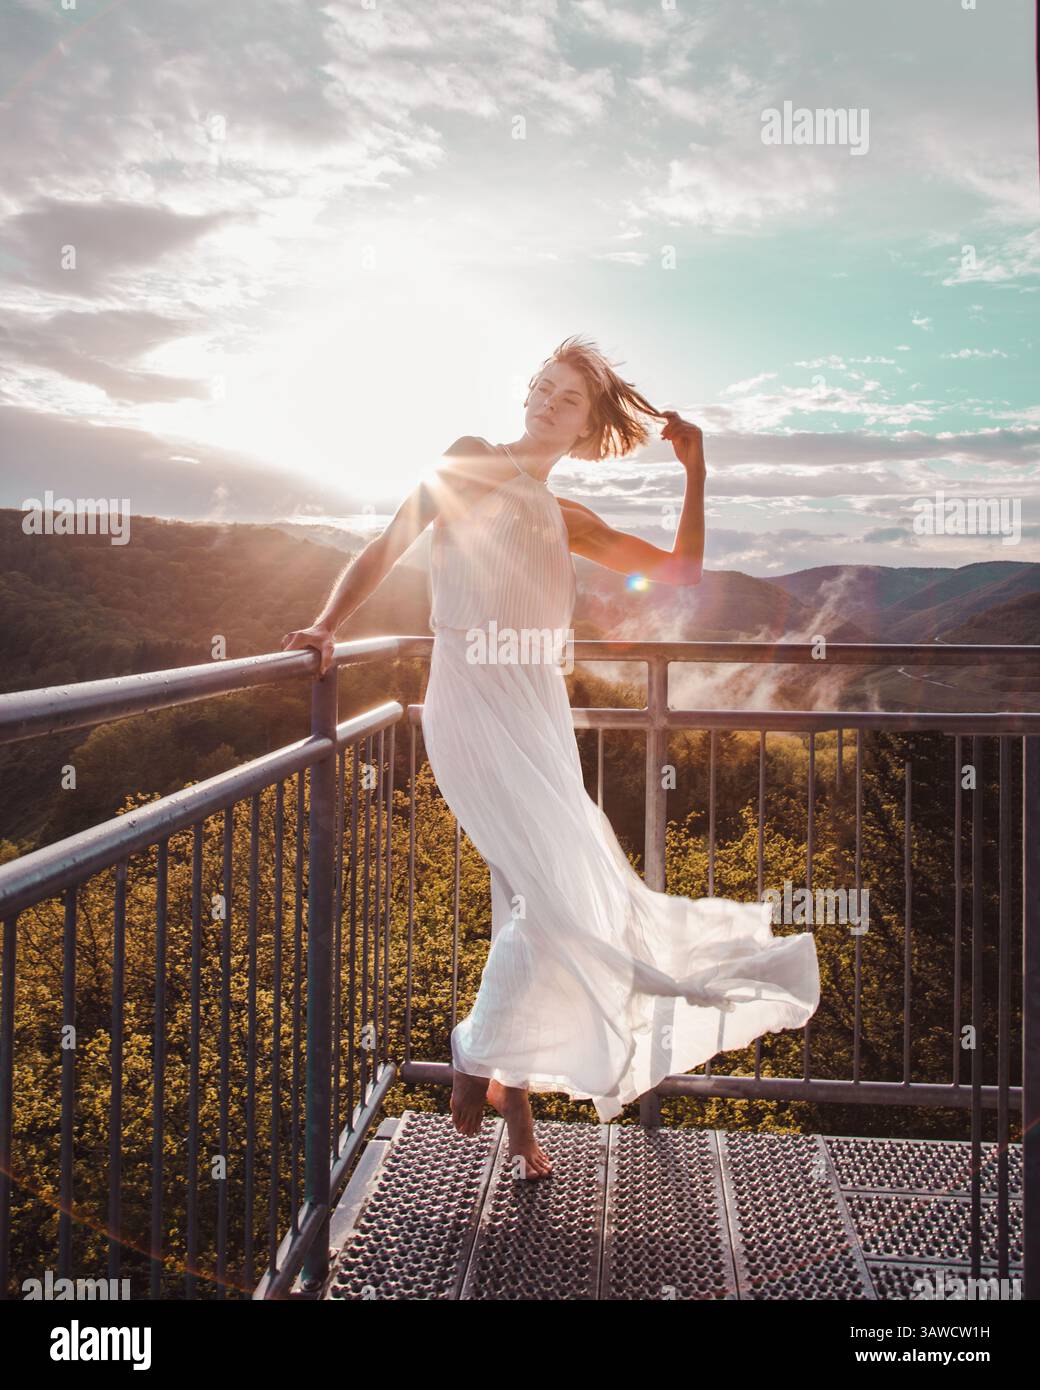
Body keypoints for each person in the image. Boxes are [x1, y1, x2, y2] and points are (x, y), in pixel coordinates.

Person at [282, 334, 820, 1179]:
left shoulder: (570, 518)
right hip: (469, 698)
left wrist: (695, 470)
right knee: (552, 890)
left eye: (566, 397)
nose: (544, 401)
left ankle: (514, 1099)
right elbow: (388, 545)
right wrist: (327, 627)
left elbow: (680, 573)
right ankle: (477, 1054)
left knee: (542, 895)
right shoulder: (468, 460)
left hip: (539, 710)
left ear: (588, 428)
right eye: (540, 385)